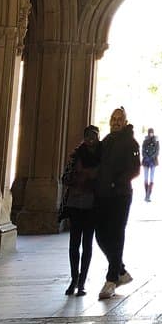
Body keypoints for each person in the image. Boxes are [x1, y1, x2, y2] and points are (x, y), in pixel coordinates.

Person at [94, 107, 140, 300]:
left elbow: (135, 169)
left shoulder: (131, 142)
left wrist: (116, 182)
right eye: (113, 118)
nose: (116, 121)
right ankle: (120, 270)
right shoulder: (106, 141)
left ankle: (112, 279)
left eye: (119, 119)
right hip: (104, 195)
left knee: (116, 233)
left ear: (125, 121)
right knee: (101, 235)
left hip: (120, 195)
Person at [60, 125, 101, 296]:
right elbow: (65, 177)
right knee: (74, 244)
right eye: (88, 136)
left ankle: (82, 281)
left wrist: (93, 178)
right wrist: (79, 176)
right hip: (76, 204)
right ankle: (74, 279)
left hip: (92, 205)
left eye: (94, 136)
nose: (91, 140)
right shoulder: (76, 155)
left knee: (87, 244)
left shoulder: (102, 157)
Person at [141, 128, 159, 202]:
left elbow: (157, 150)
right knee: (146, 179)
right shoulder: (145, 140)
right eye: (150, 132)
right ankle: (146, 194)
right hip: (146, 161)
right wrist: (146, 157)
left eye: (152, 132)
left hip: (153, 161)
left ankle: (148, 195)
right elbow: (143, 150)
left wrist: (152, 157)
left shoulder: (156, 140)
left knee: (151, 179)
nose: (151, 134)